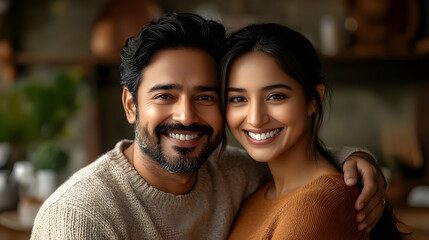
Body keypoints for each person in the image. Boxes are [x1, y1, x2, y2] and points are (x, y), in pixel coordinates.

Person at [31, 13, 386, 239]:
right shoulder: (78, 217)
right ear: (130, 105)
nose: (186, 116)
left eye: (205, 97)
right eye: (165, 96)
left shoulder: (233, 174)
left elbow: (299, 174)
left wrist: (355, 163)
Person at [221, 23, 407, 239]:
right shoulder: (254, 195)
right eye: (238, 99)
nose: (255, 118)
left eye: (275, 96)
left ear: (314, 100)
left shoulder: (314, 205)